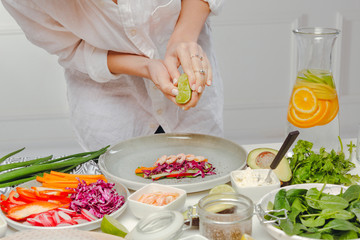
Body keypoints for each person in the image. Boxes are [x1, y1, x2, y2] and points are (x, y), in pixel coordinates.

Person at [2, 0, 225, 151]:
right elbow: (71, 49)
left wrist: (184, 36)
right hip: (110, 114)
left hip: (193, 115)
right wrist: (146, 67)